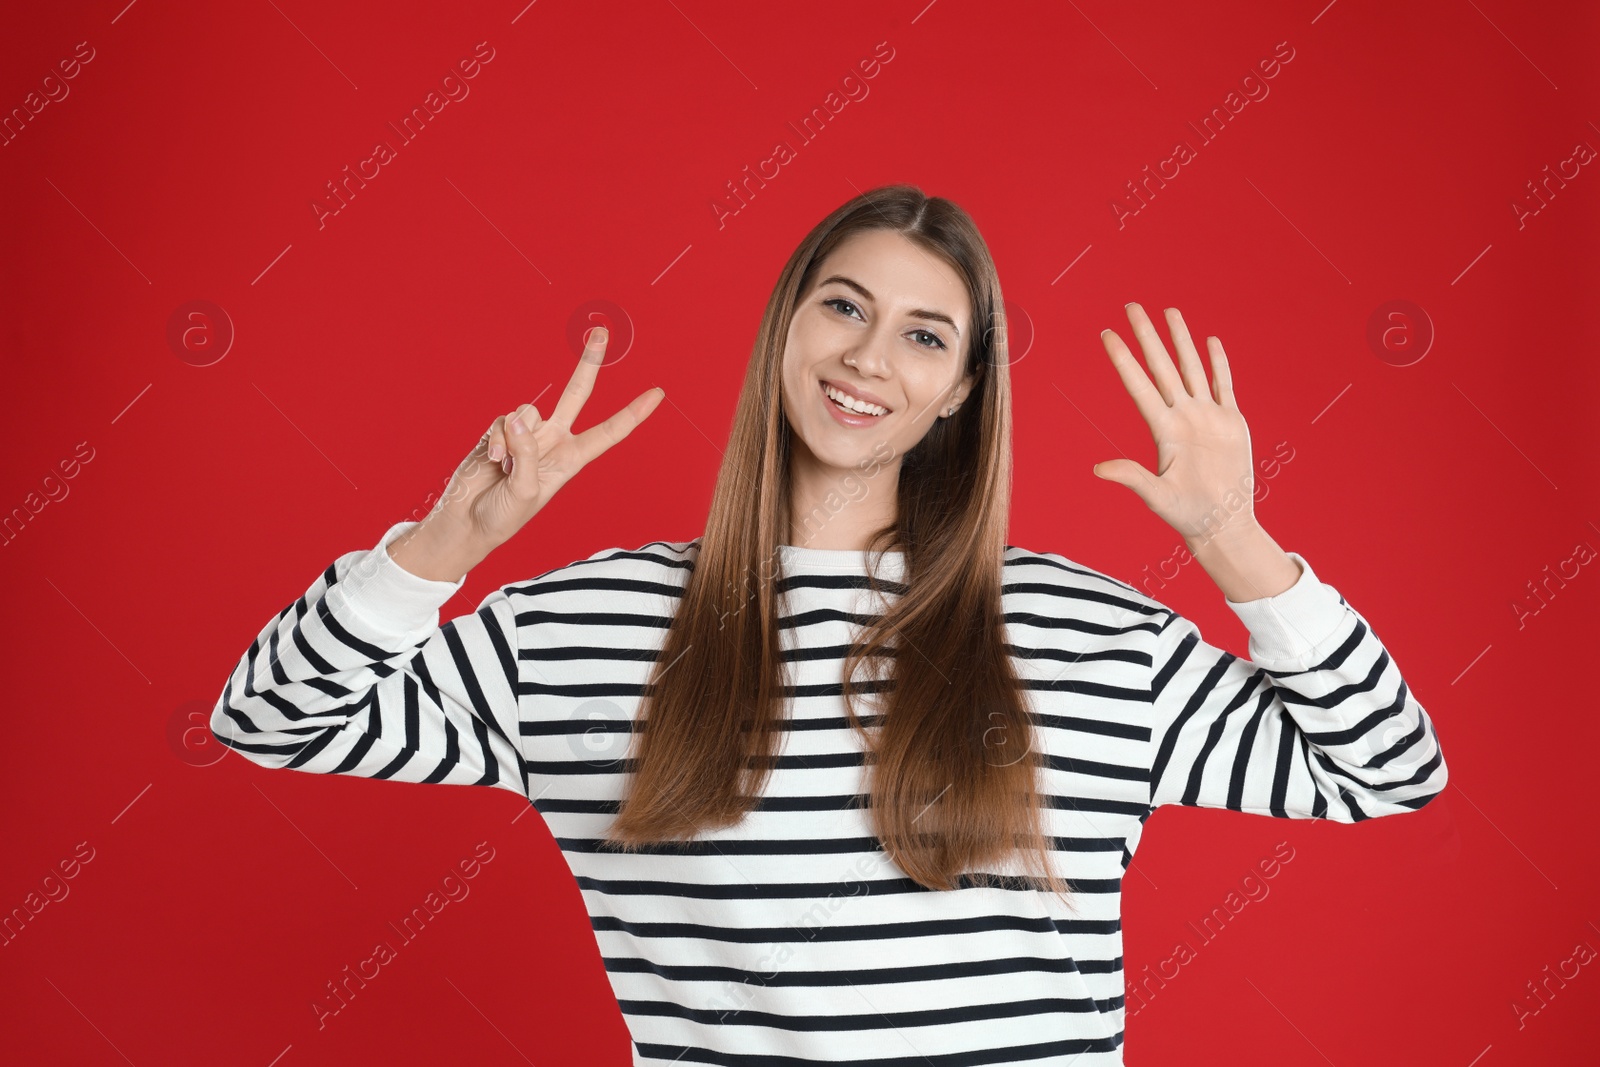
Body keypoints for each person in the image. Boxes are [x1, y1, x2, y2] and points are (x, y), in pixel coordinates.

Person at [211, 184, 1447, 1065]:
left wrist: (1232, 535)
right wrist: (447, 546)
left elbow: (1386, 769)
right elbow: (266, 718)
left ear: (962, 388)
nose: (869, 358)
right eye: (842, 307)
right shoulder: (590, 623)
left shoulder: (1082, 631)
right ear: (787, 323)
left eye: (924, 335)